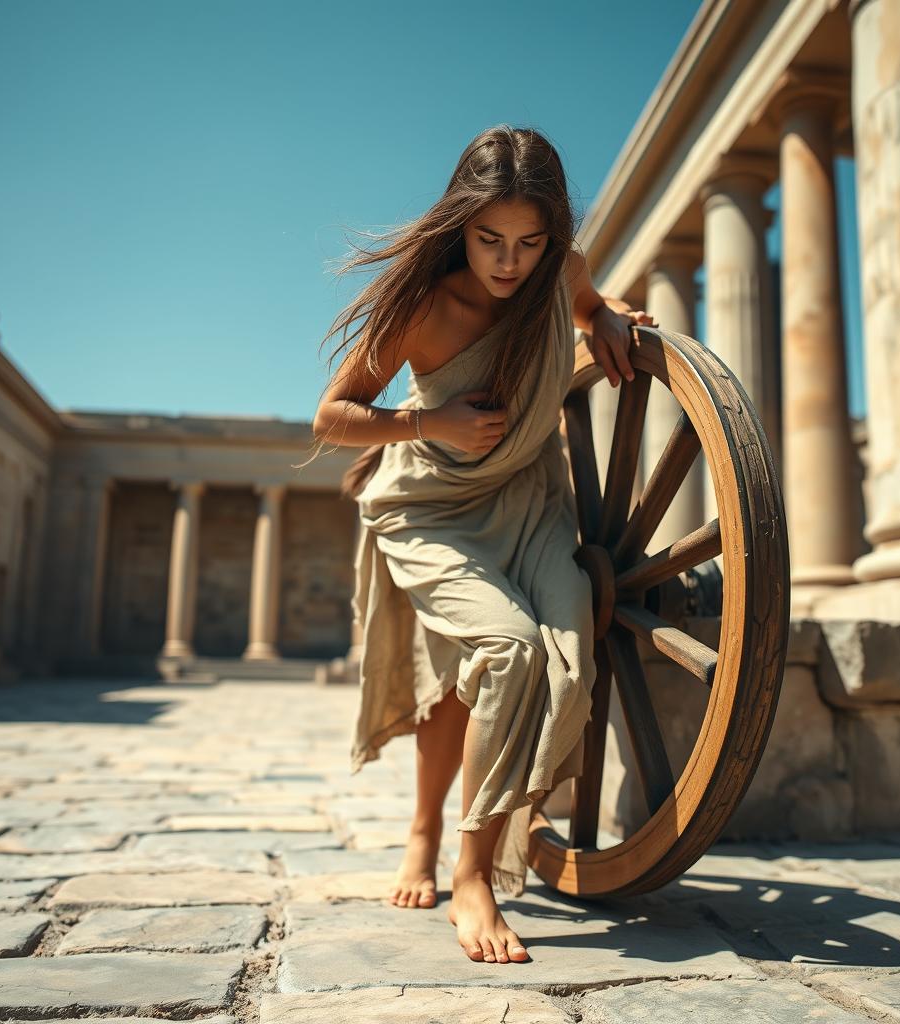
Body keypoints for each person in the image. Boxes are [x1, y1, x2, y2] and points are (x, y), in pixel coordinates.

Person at [301, 124, 654, 965]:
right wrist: (432, 421)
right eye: (490, 239)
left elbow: (587, 301)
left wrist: (603, 315)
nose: (508, 261)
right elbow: (331, 417)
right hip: (435, 508)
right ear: (460, 223)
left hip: (532, 500)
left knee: (566, 651)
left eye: (530, 243)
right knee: (505, 650)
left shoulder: (558, 276)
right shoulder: (427, 306)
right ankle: (463, 869)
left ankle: (447, 838)